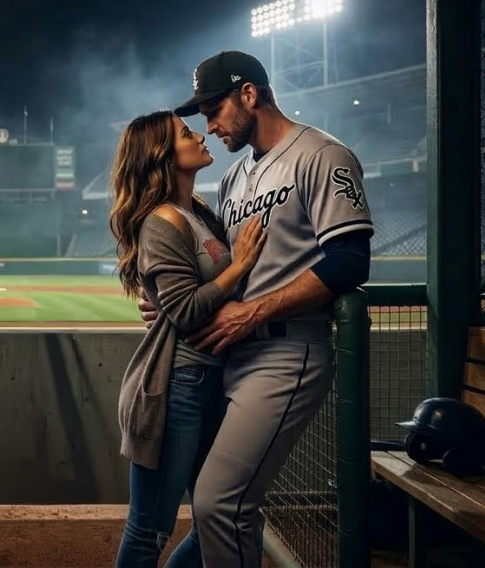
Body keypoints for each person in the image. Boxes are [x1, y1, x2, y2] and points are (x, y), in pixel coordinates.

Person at [138, 51, 374, 567]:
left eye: (213, 109)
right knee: (221, 507)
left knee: (219, 502)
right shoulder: (231, 180)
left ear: (249, 94)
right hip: (231, 358)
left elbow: (351, 261)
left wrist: (253, 312)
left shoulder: (321, 154)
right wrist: (169, 302)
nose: (208, 125)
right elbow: (218, 271)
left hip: (287, 351)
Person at [110, 109, 267, 567]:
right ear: (162, 155)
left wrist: (170, 309)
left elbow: (181, 302)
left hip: (209, 380)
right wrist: (239, 265)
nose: (200, 135)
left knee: (213, 521)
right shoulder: (162, 220)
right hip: (174, 388)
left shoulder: (196, 211)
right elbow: (186, 309)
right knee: (149, 531)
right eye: (185, 134)